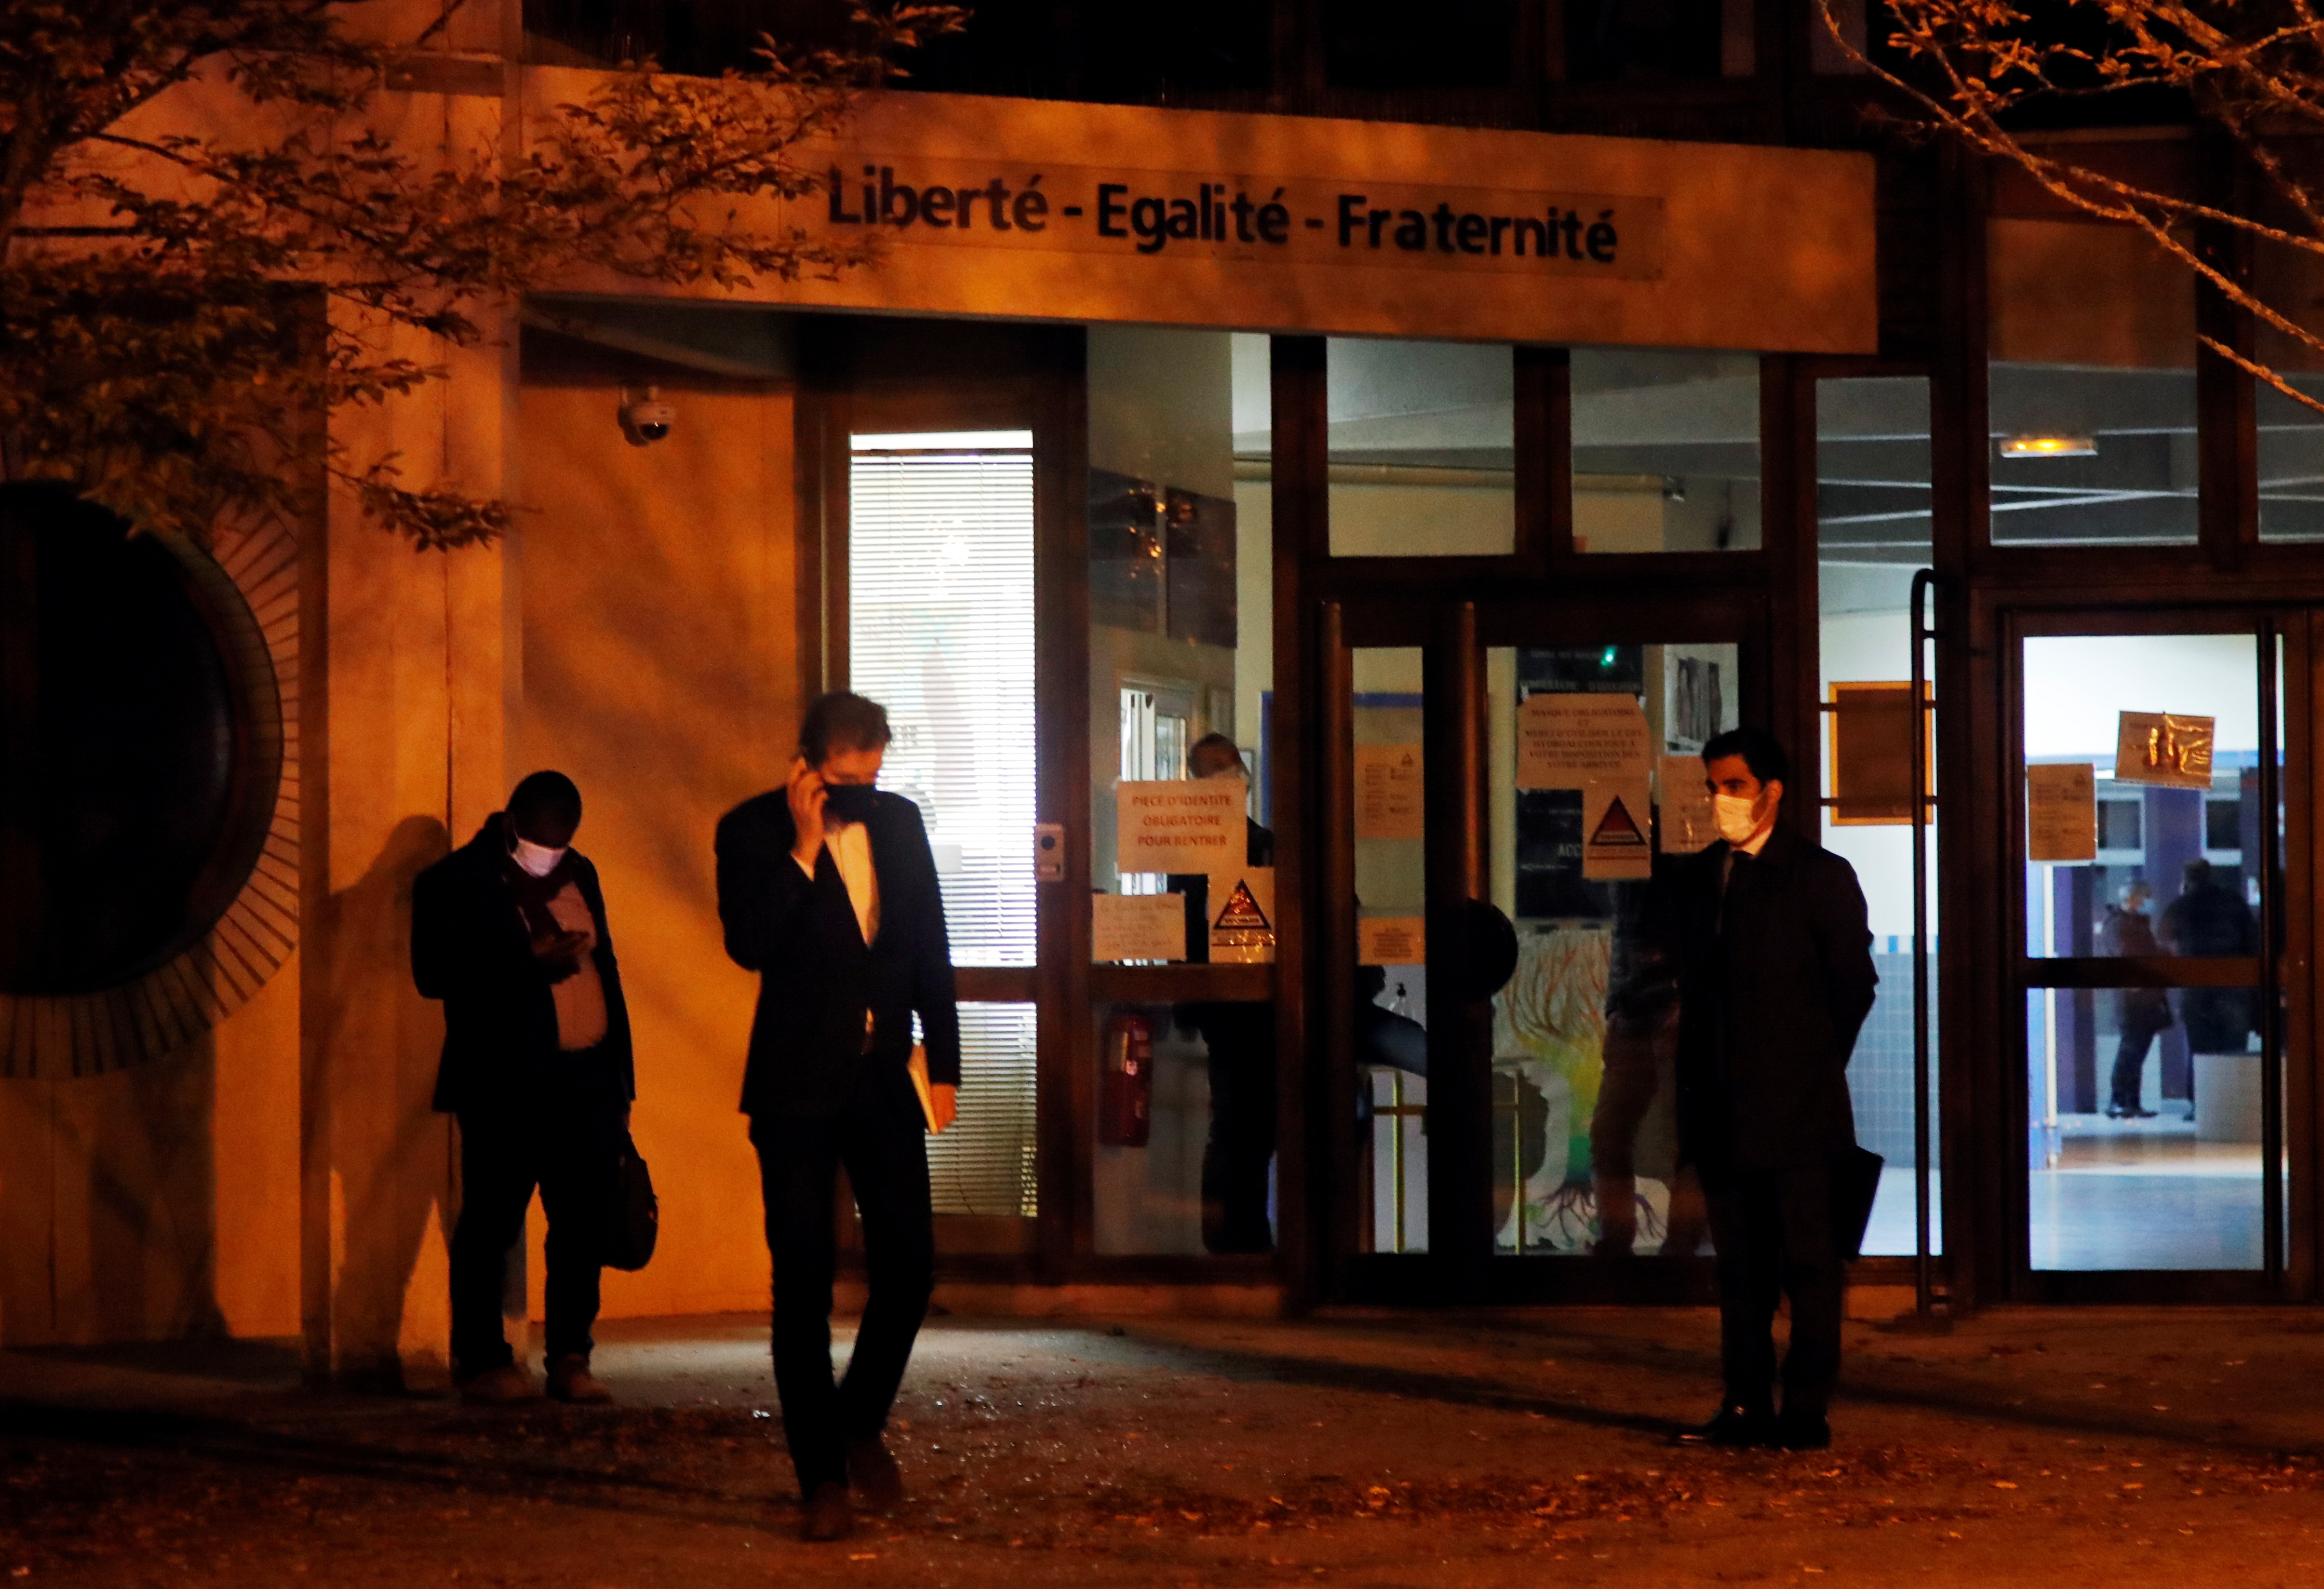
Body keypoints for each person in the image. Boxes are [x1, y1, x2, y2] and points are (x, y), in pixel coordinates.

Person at [715, 692, 961, 1543]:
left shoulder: (900, 823)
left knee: (911, 1264)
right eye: (846, 778)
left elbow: (931, 940)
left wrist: (948, 1065)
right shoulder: (749, 831)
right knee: (802, 1284)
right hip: (793, 1088)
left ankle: (856, 1420)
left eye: (874, 772)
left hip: (885, 1078)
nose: (863, 788)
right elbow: (749, 943)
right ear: (810, 765)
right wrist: (804, 847)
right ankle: (821, 1476)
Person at [1668, 727, 1876, 1451]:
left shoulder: (1817, 875)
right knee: (1739, 1269)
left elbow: (1852, 983)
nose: (1720, 800)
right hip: (1721, 1105)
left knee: (1808, 1265)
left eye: (1733, 786)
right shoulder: (1701, 879)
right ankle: (1743, 1403)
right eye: (1712, 786)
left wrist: (1810, 1064)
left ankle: (1805, 1410)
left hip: (1796, 1109)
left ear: (1771, 791)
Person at [411, 771, 635, 1407]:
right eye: (541, 844)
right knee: (491, 1221)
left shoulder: (581, 874)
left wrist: (619, 1075)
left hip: (586, 1081)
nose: (550, 855)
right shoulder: (454, 883)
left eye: (560, 845)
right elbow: (433, 974)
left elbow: (606, 968)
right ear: (511, 824)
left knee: (581, 1224)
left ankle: (571, 1355)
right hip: (504, 1083)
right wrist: (525, 963)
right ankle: (483, 1360)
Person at [1170, 732, 1278, 1253]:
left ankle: (1249, 1243)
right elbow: (1184, 931)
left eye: (1236, 770)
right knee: (1236, 1132)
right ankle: (1230, 1249)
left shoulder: (1263, 843)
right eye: (1220, 772)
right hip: (1226, 1009)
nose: (1234, 781)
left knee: (1254, 1135)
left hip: (1266, 1004)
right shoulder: (1186, 848)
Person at [2159, 857, 2258, 1068]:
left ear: (2187, 880)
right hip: (2234, 990)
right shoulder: (2233, 901)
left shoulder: (2181, 906)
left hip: (2197, 992)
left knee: (2202, 1058)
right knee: (2234, 1056)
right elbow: (2253, 942)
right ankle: (2232, 1100)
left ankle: (2202, 1099)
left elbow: (2165, 942)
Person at [2098, 880, 2172, 1119]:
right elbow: (2130, 956)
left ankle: (2131, 1102)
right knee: (2131, 1051)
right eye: (2144, 897)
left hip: (2142, 999)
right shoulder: (2121, 925)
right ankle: (2120, 1100)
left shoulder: (2135, 925)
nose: (2148, 902)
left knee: (2136, 1052)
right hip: (2133, 1000)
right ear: (2131, 900)